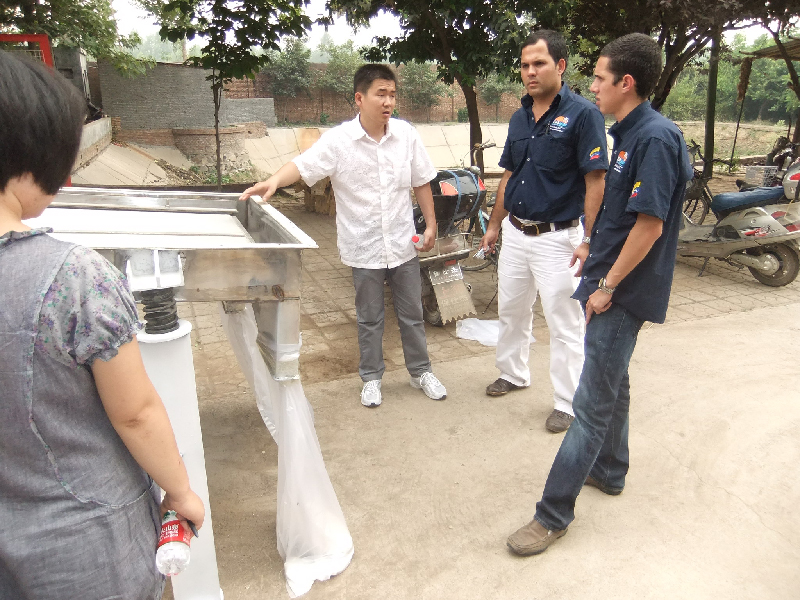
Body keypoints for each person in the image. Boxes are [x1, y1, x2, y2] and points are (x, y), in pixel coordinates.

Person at [0, 51, 205, 598]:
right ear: (35, 150)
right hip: (86, 550)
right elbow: (135, 412)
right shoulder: (74, 277)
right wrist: (180, 491)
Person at [506, 33, 693, 556]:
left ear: (625, 83)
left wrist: (608, 287)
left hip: (624, 291)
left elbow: (650, 226)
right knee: (614, 383)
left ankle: (551, 515)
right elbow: (620, 213)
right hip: (608, 278)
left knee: (588, 406)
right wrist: (592, 251)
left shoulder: (655, 139)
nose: (592, 86)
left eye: (599, 77)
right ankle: (609, 470)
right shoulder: (630, 133)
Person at [240, 64, 447, 408]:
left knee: (412, 314)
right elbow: (302, 166)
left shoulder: (406, 135)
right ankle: (371, 378)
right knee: (370, 318)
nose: (388, 101)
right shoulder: (339, 142)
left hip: (402, 244)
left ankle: (420, 371)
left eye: (392, 94)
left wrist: (430, 224)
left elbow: (421, 181)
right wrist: (274, 180)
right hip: (363, 247)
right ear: (359, 99)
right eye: (380, 94)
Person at [479, 30, 609, 433]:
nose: (530, 72)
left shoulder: (583, 115)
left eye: (539, 63)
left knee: (565, 323)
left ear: (560, 66)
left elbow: (596, 181)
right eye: (525, 65)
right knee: (511, 310)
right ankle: (513, 373)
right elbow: (509, 174)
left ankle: (568, 402)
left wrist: (589, 239)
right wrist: (495, 224)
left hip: (558, 239)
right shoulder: (519, 117)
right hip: (516, 234)